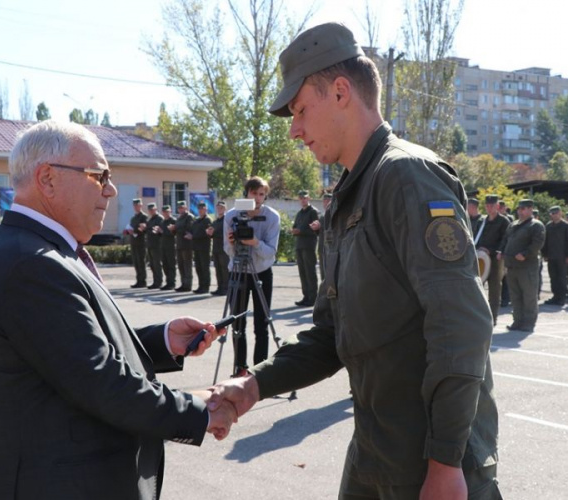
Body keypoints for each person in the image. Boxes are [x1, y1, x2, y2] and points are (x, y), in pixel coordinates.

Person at [209, 23, 500, 499]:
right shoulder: (349, 195)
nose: (295, 129)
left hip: (429, 461)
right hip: (376, 450)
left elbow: (461, 327)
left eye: (301, 109)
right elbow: (330, 336)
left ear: (341, 91)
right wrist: (254, 386)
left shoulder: (406, 177)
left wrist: (446, 463)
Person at [0, 120, 236, 500]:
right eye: (98, 175)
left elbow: (70, 352)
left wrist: (161, 341)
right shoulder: (31, 262)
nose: (110, 190)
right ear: (48, 179)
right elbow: (101, 381)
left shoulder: (38, 250)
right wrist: (199, 409)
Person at [224, 176, 281, 371]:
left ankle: (259, 371)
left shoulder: (272, 217)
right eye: (253, 193)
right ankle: (240, 368)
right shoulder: (231, 215)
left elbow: (270, 253)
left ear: (265, 196)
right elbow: (227, 251)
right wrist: (232, 243)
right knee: (237, 323)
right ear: (246, 193)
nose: (257, 197)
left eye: (261, 194)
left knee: (262, 325)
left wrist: (254, 242)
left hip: (262, 272)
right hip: (238, 271)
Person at [503, 199, 545, 332]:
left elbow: (537, 243)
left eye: (523, 209)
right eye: (519, 209)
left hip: (526, 266)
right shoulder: (513, 224)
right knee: (515, 296)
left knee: (529, 296)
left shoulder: (536, 225)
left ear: (530, 209)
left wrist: (525, 254)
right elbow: (506, 240)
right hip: (512, 266)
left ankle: (528, 323)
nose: (520, 211)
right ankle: (517, 320)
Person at [477, 194, 509, 325]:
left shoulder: (504, 221)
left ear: (497, 206)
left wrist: (491, 250)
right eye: (487, 206)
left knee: (494, 289)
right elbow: (476, 237)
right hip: (481, 258)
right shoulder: (482, 221)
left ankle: (492, 318)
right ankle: (480, 316)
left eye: (492, 206)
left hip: (496, 259)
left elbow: (505, 240)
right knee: (478, 287)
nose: (489, 208)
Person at [542, 206, 568, 306]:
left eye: (556, 213)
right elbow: (545, 241)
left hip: (562, 256)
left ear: (560, 213)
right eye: (552, 213)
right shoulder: (548, 226)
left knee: (561, 278)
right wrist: (545, 254)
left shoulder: (566, 225)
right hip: (551, 256)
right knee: (553, 278)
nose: (554, 215)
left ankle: (561, 298)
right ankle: (555, 296)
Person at [292, 190, 319, 306]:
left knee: (310, 272)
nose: (303, 200)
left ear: (309, 199)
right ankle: (306, 296)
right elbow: (295, 226)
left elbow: (316, 229)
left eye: (305, 198)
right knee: (302, 272)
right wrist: (294, 230)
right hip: (300, 245)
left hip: (308, 245)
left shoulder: (313, 212)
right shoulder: (300, 213)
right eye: (301, 198)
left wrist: (301, 231)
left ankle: (313, 298)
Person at [171, 200, 194, 292]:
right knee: (181, 265)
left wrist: (176, 228)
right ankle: (183, 283)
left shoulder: (189, 217)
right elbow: (176, 232)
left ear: (186, 207)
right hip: (179, 244)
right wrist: (173, 230)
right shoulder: (179, 218)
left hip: (187, 245)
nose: (180, 209)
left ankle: (188, 285)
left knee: (187, 265)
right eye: (179, 208)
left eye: (182, 207)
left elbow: (188, 229)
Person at [208, 200, 229, 296]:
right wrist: (210, 233)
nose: (220, 209)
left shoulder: (227, 220)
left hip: (224, 249)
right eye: (218, 207)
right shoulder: (215, 221)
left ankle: (226, 288)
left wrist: (214, 232)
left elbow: (226, 233)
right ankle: (219, 287)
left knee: (225, 269)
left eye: (222, 207)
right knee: (218, 270)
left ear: (225, 209)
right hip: (216, 248)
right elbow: (212, 234)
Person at [310, 191, 333, 280]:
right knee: (323, 274)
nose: (326, 202)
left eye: (328, 200)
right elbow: (320, 232)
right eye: (324, 200)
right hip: (322, 248)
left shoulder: (334, 214)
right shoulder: (323, 216)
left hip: (330, 249)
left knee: (329, 274)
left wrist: (320, 225)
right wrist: (316, 228)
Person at [191, 201, 212, 294]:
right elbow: (193, 230)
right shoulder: (197, 220)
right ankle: (201, 285)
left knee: (204, 268)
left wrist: (193, 236)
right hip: (196, 247)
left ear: (206, 209)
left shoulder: (207, 220)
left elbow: (205, 233)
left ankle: (205, 287)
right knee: (198, 268)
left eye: (202, 209)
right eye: (199, 209)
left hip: (204, 247)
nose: (200, 210)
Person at [127, 198, 148, 288]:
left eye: (138, 205)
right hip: (134, 241)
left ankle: (142, 281)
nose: (136, 207)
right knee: (136, 262)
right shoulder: (133, 218)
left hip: (141, 242)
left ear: (141, 206)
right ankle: (138, 280)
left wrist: (135, 231)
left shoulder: (144, 217)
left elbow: (143, 229)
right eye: (135, 205)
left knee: (141, 261)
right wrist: (129, 231)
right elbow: (131, 227)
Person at [145, 202, 164, 289]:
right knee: (152, 264)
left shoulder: (159, 218)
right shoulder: (150, 219)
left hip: (157, 244)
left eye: (153, 209)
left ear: (156, 209)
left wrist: (157, 230)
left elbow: (161, 230)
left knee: (157, 264)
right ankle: (155, 281)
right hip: (150, 244)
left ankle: (158, 282)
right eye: (150, 210)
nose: (151, 211)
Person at [159, 204, 177, 290]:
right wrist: (159, 231)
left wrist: (163, 231)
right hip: (163, 245)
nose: (166, 213)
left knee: (171, 265)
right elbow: (161, 234)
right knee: (165, 265)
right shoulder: (162, 222)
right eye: (164, 212)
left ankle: (172, 282)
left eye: (168, 211)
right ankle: (168, 282)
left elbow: (173, 233)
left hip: (171, 246)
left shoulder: (173, 220)